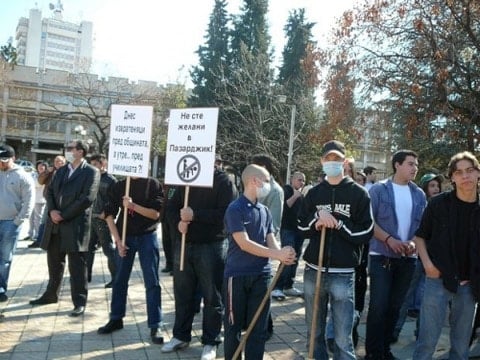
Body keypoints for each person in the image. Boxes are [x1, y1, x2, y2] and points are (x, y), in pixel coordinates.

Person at [298, 140, 374, 360]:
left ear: (345, 161)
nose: (332, 162)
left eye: (337, 159)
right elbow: (301, 227)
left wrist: (339, 224)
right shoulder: (313, 193)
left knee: (342, 336)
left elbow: (366, 231)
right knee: (314, 331)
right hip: (314, 270)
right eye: (328, 158)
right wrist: (316, 220)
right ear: (322, 161)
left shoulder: (359, 194)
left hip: (343, 273)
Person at [162, 162, 237, 360]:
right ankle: (180, 335)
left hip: (212, 245)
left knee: (212, 296)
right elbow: (170, 208)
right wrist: (177, 223)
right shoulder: (183, 179)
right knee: (182, 293)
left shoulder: (223, 181)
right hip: (184, 244)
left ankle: (211, 341)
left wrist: (195, 215)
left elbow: (227, 214)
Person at [223, 164, 296, 359]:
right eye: (266, 180)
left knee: (258, 329)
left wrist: (282, 253)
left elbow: (270, 239)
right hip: (237, 276)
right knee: (233, 328)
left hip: (262, 276)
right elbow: (244, 243)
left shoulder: (265, 211)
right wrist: (276, 255)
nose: (269, 185)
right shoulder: (235, 209)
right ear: (254, 181)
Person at [413, 152, 480, 360]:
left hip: (470, 285)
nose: (465, 176)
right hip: (438, 280)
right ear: (452, 177)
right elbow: (419, 238)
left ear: (478, 173)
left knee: (461, 346)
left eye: (470, 171)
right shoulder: (438, 204)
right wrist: (428, 266)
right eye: (459, 172)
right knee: (427, 342)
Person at [365, 149, 426, 360]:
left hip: (408, 259)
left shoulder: (419, 194)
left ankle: (385, 349)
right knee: (378, 306)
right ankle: (373, 352)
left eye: (416, 165)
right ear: (397, 165)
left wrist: (411, 242)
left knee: (396, 307)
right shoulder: (378, 190)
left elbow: (422, 228)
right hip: (381, 255)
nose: (414, 168)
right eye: (410, 164)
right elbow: (368, 223)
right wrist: (389, 239)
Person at [29, 140, 100, 317]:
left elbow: (87, 198)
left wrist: (64, 214)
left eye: (71, 149)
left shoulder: (91, 172)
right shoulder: (61, 170)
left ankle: (79, 302)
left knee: (77, 266)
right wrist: (52, 210)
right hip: (55, 224)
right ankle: (50, 294)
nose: (67, 151)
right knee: (54, 262)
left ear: (81, 152)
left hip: (75, 225)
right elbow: (50, 192)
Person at [97, 176, 164, 344]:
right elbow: (108, 214)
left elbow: (155, 214)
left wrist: (132, 206)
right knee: (119, 279)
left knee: (152, 280)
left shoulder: (152, 184)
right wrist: (118, 241)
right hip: (125, 236)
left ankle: (155, 324)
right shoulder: (120, 185)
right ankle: (116, 318)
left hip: (147, 236)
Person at [393, 172, 443, 341]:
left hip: (434, 259)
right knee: (405, 296)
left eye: (437, 185)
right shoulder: (420, 204)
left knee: (427, 299)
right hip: (416, 257)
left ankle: (422, 332)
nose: (436, 189)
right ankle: (395, 330)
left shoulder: (443, 205)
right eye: (432, 185)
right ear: (425, 187)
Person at [0, 144, 35, 302]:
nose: (1, 163)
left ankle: (1, 289)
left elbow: (29, 201)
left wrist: (18, 221)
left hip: (10, 223)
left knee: (5, 258)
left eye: (4, 160)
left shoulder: (23, 176)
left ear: (13, 159)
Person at [272, 171, 306, 300]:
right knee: (287, 256)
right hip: (288, 229)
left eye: (303, 180)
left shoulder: (302, 195)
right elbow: (284, 207)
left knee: (296, 258)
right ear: (292, 180)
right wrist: (295, 196)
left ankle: (288, 285)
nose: (301, 182)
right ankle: (277, 287)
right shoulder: (286, 190)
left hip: (299, 230)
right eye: (299, 179)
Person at [86, 154, 118, 288]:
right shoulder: (90, 177)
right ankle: (86, 276)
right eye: (91, 164)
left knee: (108, 249)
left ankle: (116, 278)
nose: (93, 167)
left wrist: (106, 214)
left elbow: (115, 201)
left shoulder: (111, 180)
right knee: (88, 248)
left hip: (103, 219)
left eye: (96, 164)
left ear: (103, 164)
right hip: (89, 218)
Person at [29, 155, 66, 248]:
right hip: (50, 201)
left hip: (64, 202)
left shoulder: (68, 172)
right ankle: (39, 240)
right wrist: (46, 172)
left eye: (61, 161)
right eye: (56, 161)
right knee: (44, 220)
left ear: (64, 163)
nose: (58, 163)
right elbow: (40, 181)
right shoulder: (50, 172)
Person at [26, 161, 47, 245]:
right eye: (39, 167)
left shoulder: (46, 175)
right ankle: (31, 234)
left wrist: (33, 183)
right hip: (32, 200)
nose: (40, 168)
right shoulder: (34, 174)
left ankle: (38, 235)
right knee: (31, 218)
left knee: (38, 219)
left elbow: (37, 184)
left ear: (45, 168)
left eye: (42, 167)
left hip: (40, 200)